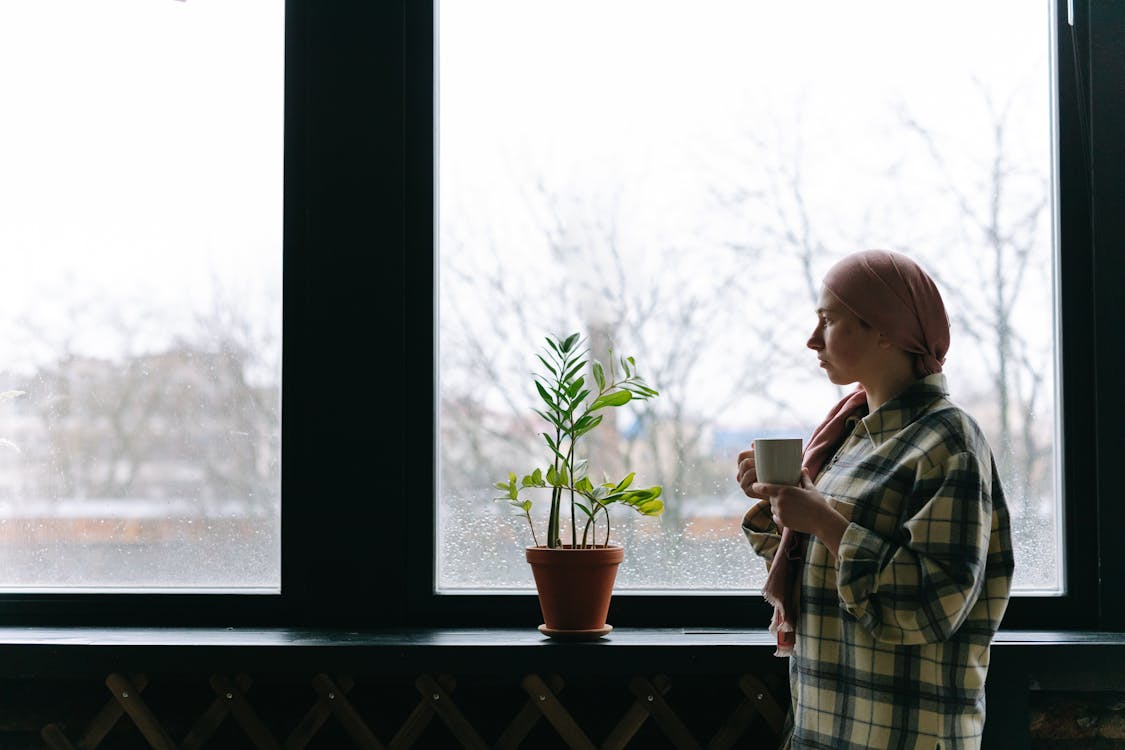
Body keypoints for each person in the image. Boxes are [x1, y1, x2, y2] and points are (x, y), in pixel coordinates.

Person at [737, 249, 1015, 749]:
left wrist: (823, 520)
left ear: (886, 329)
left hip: (901, 735)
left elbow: (933, 605)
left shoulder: (948, 440)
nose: (811, 339)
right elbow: (820, 571)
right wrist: (781, 502)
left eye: (828, 319)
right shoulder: (849, 436)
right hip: (826, 726)